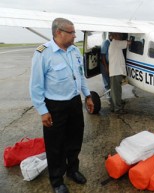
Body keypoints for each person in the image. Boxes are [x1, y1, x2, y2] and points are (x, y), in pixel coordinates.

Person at [29, 18, 94, 193]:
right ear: (59, 32)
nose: (75, 35)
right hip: (55, 105)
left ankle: (73, 170)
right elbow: (36, 86)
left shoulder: (74, 51)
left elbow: (80, 76)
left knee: (75, 139)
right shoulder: (43, 53)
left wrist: (87, 96)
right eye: (71, 32)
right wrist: (43, 111)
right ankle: (57, 181)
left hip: (74, 103)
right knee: (55, 144)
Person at [108, 32, 131, 114]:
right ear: (115, 36)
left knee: (114, 90)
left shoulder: (114, 43)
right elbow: (129, 43)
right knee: (116, 91)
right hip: (116, 71)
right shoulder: (116, 43)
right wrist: (131, 40)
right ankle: (118, 108)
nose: (121, 36)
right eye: (119, 35)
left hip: (116, 71)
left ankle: (113, 106)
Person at [101, 32, 112, 98]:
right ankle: (108, 96)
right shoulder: (106, 43)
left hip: (110, 64)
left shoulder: (113, 42)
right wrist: (106, 67)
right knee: (106, 80)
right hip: (104, 63)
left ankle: (111, 94)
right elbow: (103, 56)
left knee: (111, 80)